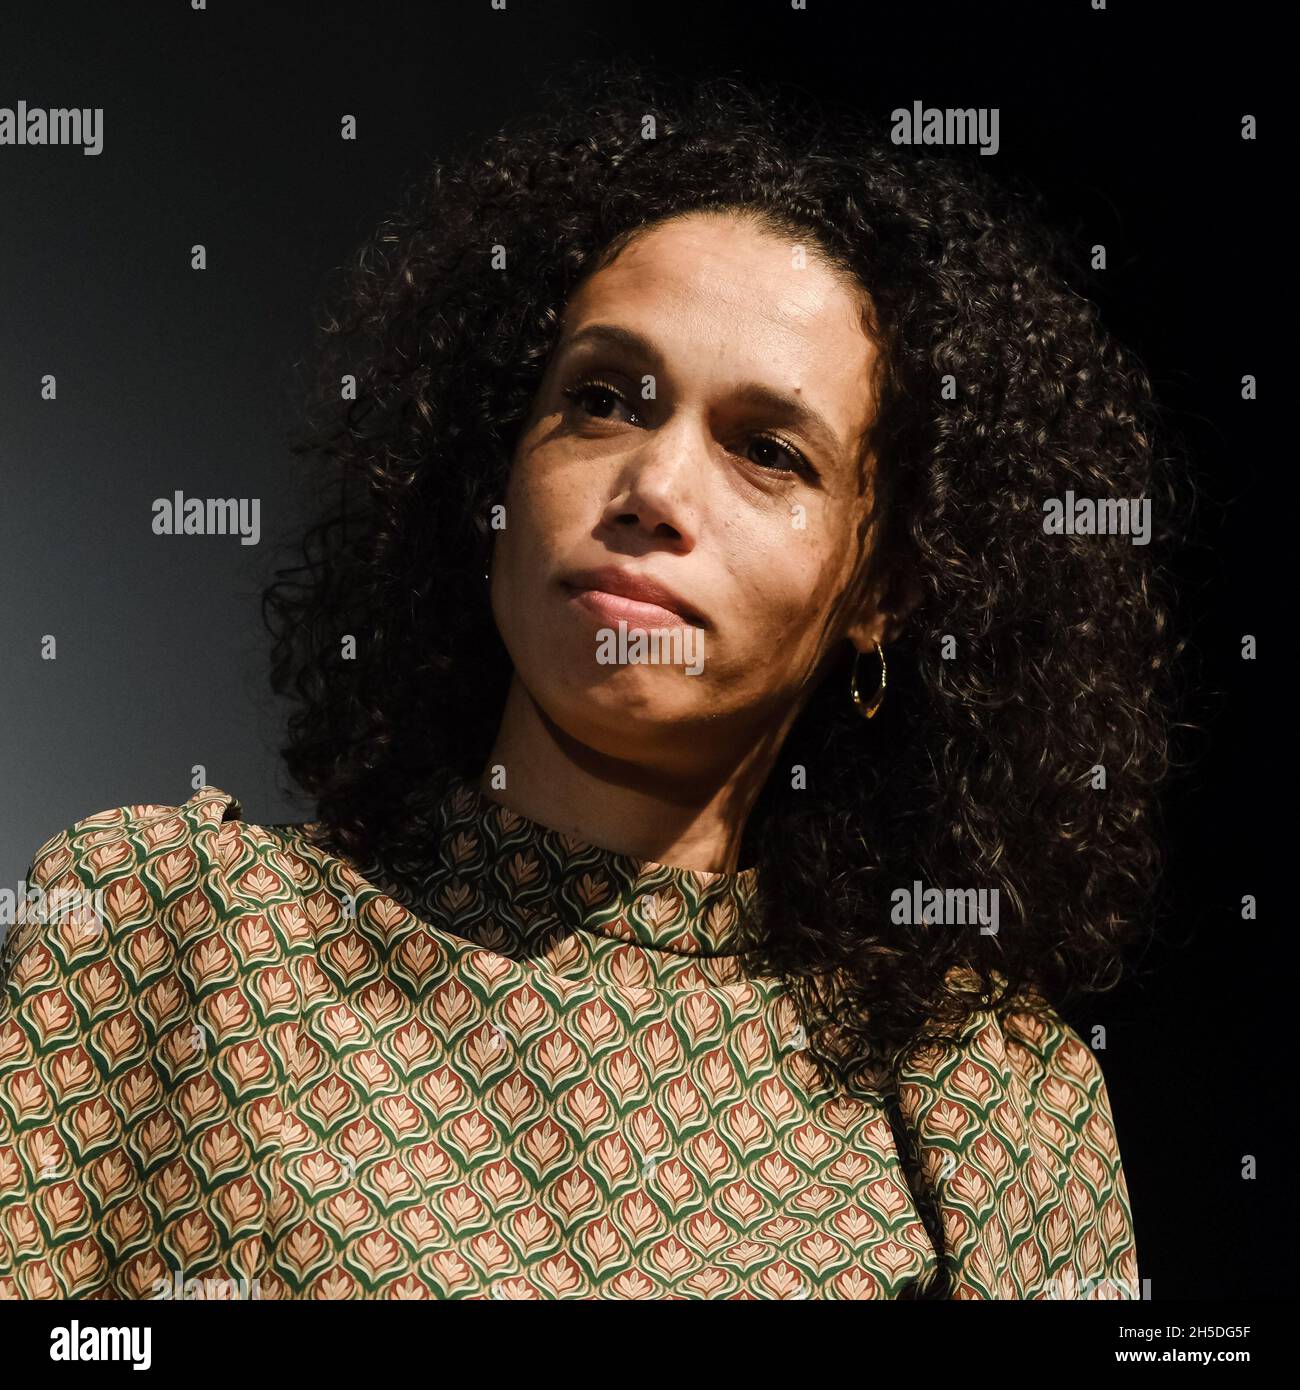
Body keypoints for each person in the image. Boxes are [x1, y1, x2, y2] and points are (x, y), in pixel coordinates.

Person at [0, 59, 1182, 1300]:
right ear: (495, 473)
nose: (656, 490)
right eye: (605, 399)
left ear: (882, 589)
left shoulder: (989, 1094)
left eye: (768, 451)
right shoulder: (164, 921)